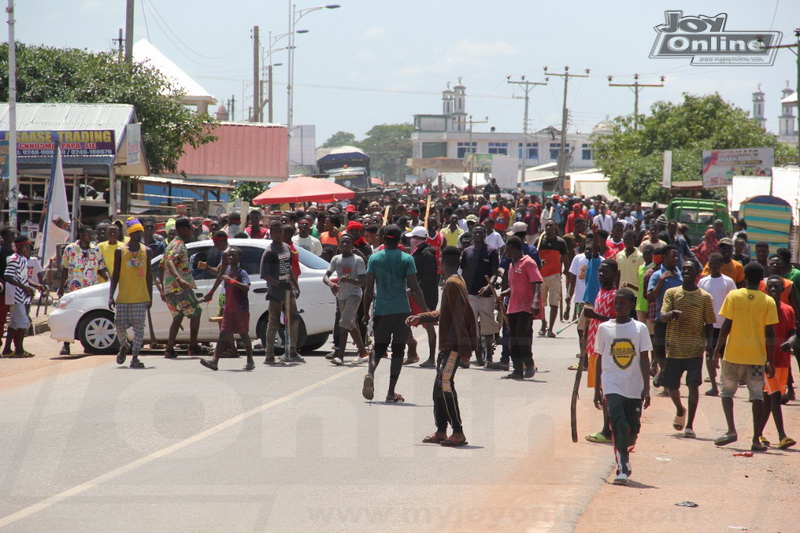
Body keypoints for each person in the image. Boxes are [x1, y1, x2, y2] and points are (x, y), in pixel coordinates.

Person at [409, 246, 477, 447]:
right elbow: (445, 313)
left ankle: (458, 431)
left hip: (453, 345)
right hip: (450, 344)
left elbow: (459, 318)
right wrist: (421, 317)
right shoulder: (456, 281)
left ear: (441, 264)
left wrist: (464, 350)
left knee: (445, 384)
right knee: (438, 386)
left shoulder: (451, 284)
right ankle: (440, 430)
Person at [712, 262, 777, 451]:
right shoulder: (767, 301)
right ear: (761, 279)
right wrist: (770, 360)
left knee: (727, 393)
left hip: (733, 354)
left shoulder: (734, 295)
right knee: (757, 396)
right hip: (756, 358)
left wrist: (717, 349)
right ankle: (756, 439)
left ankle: (731, 430)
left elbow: (726, 325)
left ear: (745, 277)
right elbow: (770, 332)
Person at [361, 225, 428, 403]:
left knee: (379, 346)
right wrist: (426, 311)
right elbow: (414, 288)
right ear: (399, 240)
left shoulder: (374, 259)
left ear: (384, 239)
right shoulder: (407, 259)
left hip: (381, 310)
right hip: (401, 311)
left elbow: (368, 290)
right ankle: (391, 392)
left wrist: (366, 314)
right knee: (398, 350)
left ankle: (370, 373)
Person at [593, 288, 652, 485]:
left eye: (622, 303)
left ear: (632, 305)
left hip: (634, 386)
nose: (618, 306)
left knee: (633, 427)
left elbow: (644, 358)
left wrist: (646, 388)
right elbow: (599, 359)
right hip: (612, 384)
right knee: (619, 423)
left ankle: (628, 445)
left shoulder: (640, 328)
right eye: (615, 303)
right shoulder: (604, 328)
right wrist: (597, 388)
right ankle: (622, 466)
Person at [660, 260, 716, 438]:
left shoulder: (705, 297)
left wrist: (709, 345)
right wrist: (671, 315)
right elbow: (662, 316)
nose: (686, 272)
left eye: (690, 269)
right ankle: (680, 408)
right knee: (671, 386)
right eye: (683, 269)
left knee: (693, 385)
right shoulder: (672, 293)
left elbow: (709, 323)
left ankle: (690, 425)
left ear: (697, 273)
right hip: (674, 347)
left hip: (695, 349)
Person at [200, 247, 255, 371]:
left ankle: (250, 360)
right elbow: (218, 278)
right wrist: (210, 294)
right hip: (229, 309)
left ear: (239, 258)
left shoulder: (242, 273)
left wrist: (233, 281)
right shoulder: (227, 271)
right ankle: (214, 362)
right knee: (223, 335)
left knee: (244, 334)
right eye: (229, 256)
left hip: (240, 308)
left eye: (233, 256)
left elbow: (246, 287)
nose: (230, 258)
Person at [108, 218, 153, 369]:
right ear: (130, 234)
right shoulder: (120, 251)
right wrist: (110, 296)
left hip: (140, 297)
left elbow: (149, 276)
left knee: (139, 329)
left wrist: (150, 297)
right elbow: (115, 275)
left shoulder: (147, 251)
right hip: (123, 298)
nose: (139, 235)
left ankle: (135, 357)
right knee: (119, 326)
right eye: (135, 233)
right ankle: (124, 345)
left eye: (140, 232)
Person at [58, 225, 109, 355]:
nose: (90, 235)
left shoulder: (96, 250)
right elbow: (64, 269)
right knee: (70, 315)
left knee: (88, 317)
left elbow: (101, 268)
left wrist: (110, 281)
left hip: (91, 290)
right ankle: (66, 344)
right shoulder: (70, 249)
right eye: (88, 233)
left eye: (91, 233)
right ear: (80, 234)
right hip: (75, 289)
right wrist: (60, 287)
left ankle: (87, 344)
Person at [584, 259, 619, 443]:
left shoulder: (614, 295)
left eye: (604, 272)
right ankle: (607, 428)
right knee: (600, 389)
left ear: (614, 274)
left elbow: (615, 321)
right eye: (599, 271)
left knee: (605, 390)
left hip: (606, 350)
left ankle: (608, 430)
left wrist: (595, 315)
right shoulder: (601, 291)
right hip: (595, 348)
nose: (600, 274)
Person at [498, 236, 542, 380]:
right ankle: (517, 370)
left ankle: (529, 365)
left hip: (525, 306)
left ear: (512, 247)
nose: (505, 252)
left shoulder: (528, 262)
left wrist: (535, 301)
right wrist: (503, 294)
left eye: (506, 249)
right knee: (513, 339)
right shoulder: (512, 264)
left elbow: (536, 282)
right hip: (513, 306)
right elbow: (514, 286)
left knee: (521, 336)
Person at [160, 217, 205, 358]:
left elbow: (162, 266)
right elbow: (169, 262)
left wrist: (163, 288)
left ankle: (169, 349)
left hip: (170, 288)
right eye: (190, 228)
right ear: (182, 229)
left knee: (178, 317)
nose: (192, 231)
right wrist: (179, 279)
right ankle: (193, 346)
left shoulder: (171, 244)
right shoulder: (178, 244)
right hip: (178, 288)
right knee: (196, 311)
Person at [261, 219, 303, 364]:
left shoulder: (286, 248)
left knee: (294, 319)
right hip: (275, 292)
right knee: (274, 322)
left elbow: (289, 268)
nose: (279, 235)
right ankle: (269, 354)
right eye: (276, 232)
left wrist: (295, 285)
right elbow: (265, 275)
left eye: (281, 232)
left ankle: (292, 351)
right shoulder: (269, 252)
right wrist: (279, 284)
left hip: (288, 290)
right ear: (271, 234)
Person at [323, 234, 368, 366]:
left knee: (343, 322)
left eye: (347, 243)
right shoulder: (336, 259)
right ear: (339, 245)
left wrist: (349, 280)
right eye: (342, 243)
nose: (344, 245)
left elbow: (363, 281)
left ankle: (340, 356)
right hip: (341, 295)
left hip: (354, 295)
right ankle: (363, 351)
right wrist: (331, 284)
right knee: (350, 323)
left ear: (352, 245)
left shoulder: (358, 260)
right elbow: (326, 276)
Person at [459, 224, 500, 367]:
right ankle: (474, 357)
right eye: (475, 233)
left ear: (484, 235)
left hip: (486, 296)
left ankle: (489, 357)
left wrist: (489, 286)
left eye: (480, 233)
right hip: (470, 295)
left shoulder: (492, 251)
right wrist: (462, 290)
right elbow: (463, 273)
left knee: (488, 328)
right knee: (471, 328)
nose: (477, 235)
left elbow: (495, 273)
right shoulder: (467, 252)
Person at [697, 253, 737, 397]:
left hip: (725, 324)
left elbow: (734, 302)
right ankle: (713, 385)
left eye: (716, 263)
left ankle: (725, 384)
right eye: (711, 263)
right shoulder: (703, 282)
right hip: (709, 325)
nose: (713, 266)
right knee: (709, 355)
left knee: (724, 356)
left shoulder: (729, 282)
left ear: (721, 265)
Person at [646, 245, 682, 386]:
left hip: (678, 320)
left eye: (676, 256)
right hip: (661, 318)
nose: (675, 258)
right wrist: (661, 281)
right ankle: (664, 372)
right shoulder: (656, 275)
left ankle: (666, 378)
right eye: (672, 255)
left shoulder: (680, 274)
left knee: (676, 353)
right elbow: (649, 297)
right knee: (660, 350)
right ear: (664, 257)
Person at [3, 235, 41, 358]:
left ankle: (7, 349)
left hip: (21, 295)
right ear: (20, 247)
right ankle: (19, 349)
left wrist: (35, 285)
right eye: (26, 246)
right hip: (16, 295)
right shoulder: (14, 259)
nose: (28, 248)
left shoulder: (23, 259)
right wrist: (24, 288)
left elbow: (23, 278)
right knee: (23, 322)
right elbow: (8, 276)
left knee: (14, 322)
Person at [406, 226, 439, 367]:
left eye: (413, 238)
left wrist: (414, 290)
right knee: (405, 322)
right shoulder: (417, 252)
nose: (411, 240)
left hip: (424, 296)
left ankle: (432, 358)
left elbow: (428, 277)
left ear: (418, 239)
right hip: (413, 295)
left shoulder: (426, 254)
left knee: (429, 326)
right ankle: (412, 352)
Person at [536, 219, 568, 338]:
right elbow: (534, 257)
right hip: (540, 275)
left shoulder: (560, 242)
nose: (548, 228)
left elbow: (565, 258)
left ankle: (550, 328)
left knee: (554, 302)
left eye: (551, 226)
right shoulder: (539, 241)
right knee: (540, 303)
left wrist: (567, 274)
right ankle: (543, 323)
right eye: (547, 225)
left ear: (555, 228)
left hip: (555, 275)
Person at [616, 230, 644, 311]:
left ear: (634, 240)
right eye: (625, 239)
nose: (627, 241)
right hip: (621, 292)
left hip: (635, 294)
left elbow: (641, 276)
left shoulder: (640, 256)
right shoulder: (619, 255)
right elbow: (618, 274)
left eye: (630, 239)